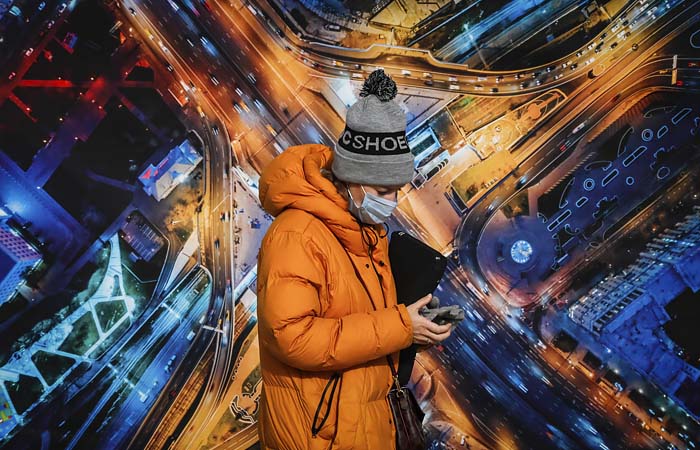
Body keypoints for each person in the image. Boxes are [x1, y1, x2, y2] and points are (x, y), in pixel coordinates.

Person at [256, 69, 453, 450]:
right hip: (319, 436)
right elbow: (292, 337)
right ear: (350, 179)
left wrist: (417, 327)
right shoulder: (297, 234)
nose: (392, 202)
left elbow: (365, 327)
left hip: (362, 425)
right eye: (383, 190)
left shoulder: (364, 230)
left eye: (397, 191)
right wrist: (401, 326)